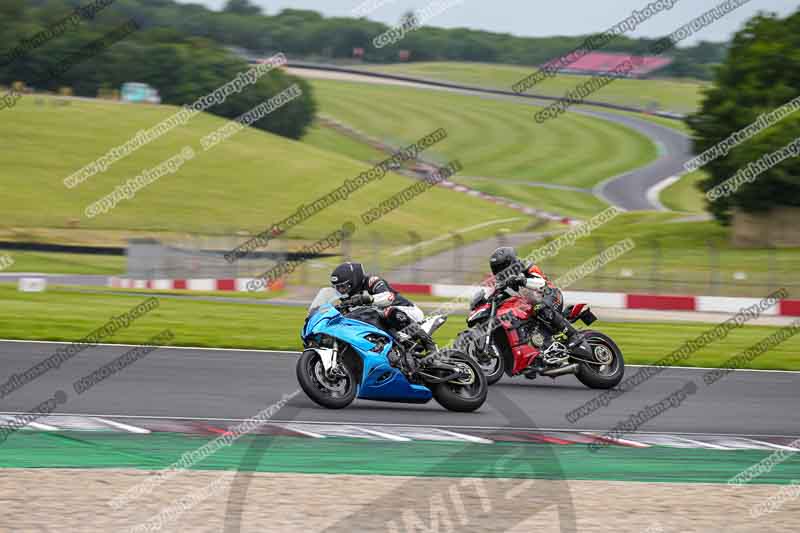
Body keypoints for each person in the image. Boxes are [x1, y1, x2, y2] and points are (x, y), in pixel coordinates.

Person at [488, 246, 593, 358]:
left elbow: (540, 283)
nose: (499, 271)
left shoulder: (526, 266)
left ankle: (574, 335)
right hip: (530, 304)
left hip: (550, 295)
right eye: (496, 268)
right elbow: (497, 293)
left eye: (501, 267)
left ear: (509, 262)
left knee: (539, 307)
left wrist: (522, 280)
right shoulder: (503, 280)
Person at [330, 262, 437, 354]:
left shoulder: (372, 281)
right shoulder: (347, 298)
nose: (340, 291)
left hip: (407, 312)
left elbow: (388, 297)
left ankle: (430, 345)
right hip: (385, 323)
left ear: (353, 281)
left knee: (387, 312)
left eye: (343, 287)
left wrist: (367, 299)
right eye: (337, 288)